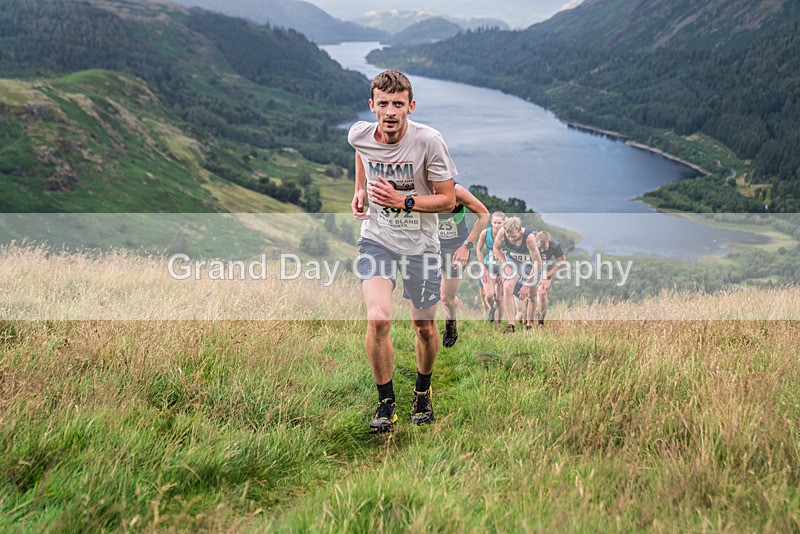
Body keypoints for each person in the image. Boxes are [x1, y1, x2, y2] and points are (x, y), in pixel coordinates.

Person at [350, 69, 457, 433]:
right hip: (376, 238)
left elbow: (448, 199)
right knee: (378, 318)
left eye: (398, 104)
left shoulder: (429, 142)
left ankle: (423, 392)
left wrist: (403, 200)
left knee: (424, 327)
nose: (391, 111)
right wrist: (360, 189)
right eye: (383, 104)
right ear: (372, 106)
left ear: (411, 106)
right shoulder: (359, 134)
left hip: (421, 246)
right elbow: (362, 154)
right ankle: (385, 403)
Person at [438, 184, 489, 348]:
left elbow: (484, 215)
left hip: (455, 249)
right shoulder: (420, 189)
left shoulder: (457, 192)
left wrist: (466, 246)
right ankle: (426, 331)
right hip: (429, 245)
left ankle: (451, 320)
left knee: (446, 298)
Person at [492, 217, 542, 334]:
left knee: (532, 295)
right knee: (507, 287)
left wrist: (526, 284)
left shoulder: (529, 238)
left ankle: (529, 324)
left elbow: (538, 263)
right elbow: (496, 248)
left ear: (520, 231)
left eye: (513, 236)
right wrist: (506, 265)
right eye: (508, 236)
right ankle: (511, 325)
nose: (510, 239)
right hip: (513, 260)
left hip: (531, 264)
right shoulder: (502, 232)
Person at [476, 211, 506, 325]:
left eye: (499, 223)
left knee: (499, 298)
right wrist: (483, 267)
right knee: (489, 296)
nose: (497, 225)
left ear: (504, 223)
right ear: (491, 222)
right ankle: (492, 310)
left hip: (503, 268)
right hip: (489, 267)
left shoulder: (507, 234)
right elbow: (478, 249)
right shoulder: (485, 233)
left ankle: (498, 323)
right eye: (495, 222)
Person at [534, 231, 566, 327]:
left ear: (549, 241)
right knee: (531, 294)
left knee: (542, 292)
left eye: (545, 248)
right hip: (531, 265)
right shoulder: (530, 242)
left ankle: (541, 320)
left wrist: (548, 276)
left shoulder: (555, 245)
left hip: (546, 266)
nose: (542, 250)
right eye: (540, 248)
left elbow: (562, 262)